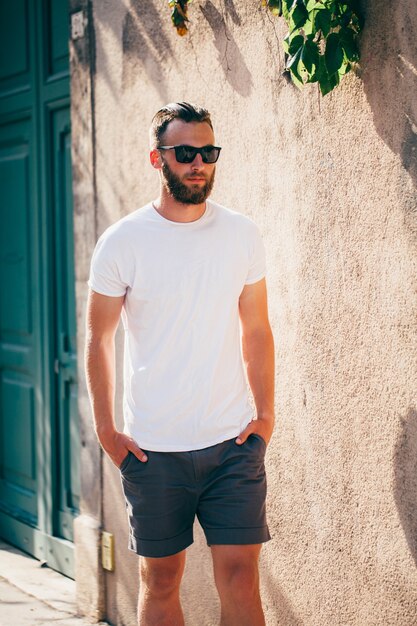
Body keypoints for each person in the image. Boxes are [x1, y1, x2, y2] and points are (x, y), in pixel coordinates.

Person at [85, 102, 275, 626]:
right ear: (157, 158)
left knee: (240, 576)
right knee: (161, 581)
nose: (199, 163)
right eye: (185, 152)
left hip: (233, 444)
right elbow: (98, 339)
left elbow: (256, 328)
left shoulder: (241, 234)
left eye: (208, 152)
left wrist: (265, 418)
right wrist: (107, 432)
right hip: (153, 452)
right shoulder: (122, 242)